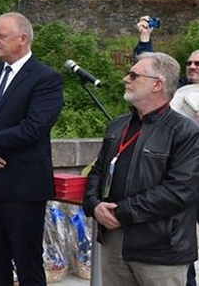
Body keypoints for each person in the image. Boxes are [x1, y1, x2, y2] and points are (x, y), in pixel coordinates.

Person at [0, 12, 64, 286]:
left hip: (24, 187)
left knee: (27, 264)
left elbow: (33, 127)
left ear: (22, 39)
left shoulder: (46, 79)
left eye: (1, 36)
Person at [82, 52, 199, 286]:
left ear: (157, 84)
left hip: (160, 250)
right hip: (114, 244)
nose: (126, 78)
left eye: (134, 75)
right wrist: (94, 205)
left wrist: (120, 212)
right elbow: (97, 172)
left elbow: (179, 190)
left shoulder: (185, 131)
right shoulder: (117, 126)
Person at [133, 16, 199, 286]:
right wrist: (145, 40)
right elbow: (152, 75)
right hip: (179, 178)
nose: (193, 66)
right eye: (190, 63)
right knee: (181, 250)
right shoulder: (180, 92)